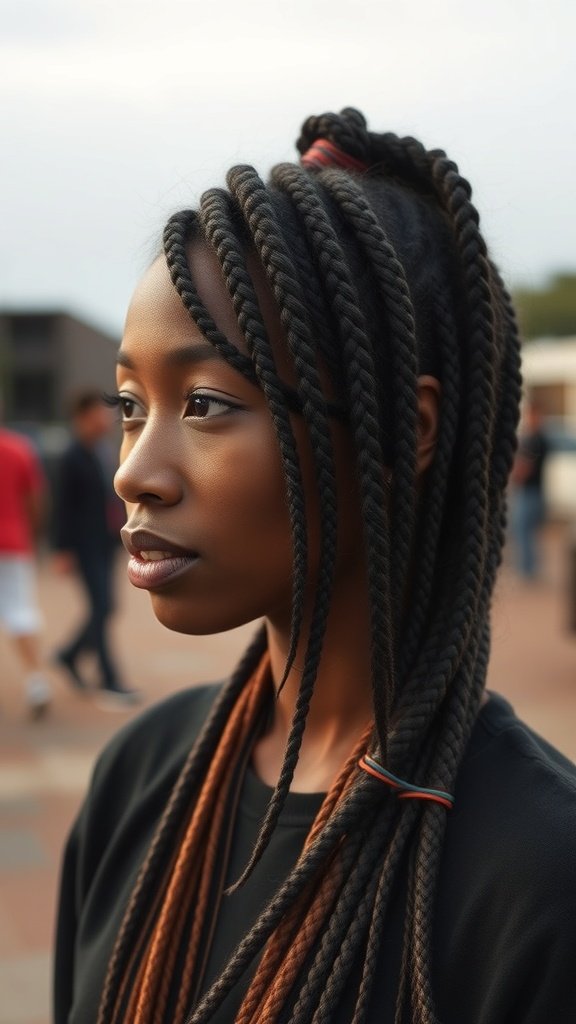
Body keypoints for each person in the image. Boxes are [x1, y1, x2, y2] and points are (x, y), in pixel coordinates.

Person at [54, 108, 576, 1023]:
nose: (137, 470)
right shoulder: (143, 773)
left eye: (208, 403)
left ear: (401, 433)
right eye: (130, 403)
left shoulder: (540, 871)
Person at [52, 390, 139, 706]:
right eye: (98, 414)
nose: (105, 420)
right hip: (84, 544)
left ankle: (69, 654)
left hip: (105, 541)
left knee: (105, 608)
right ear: (82, 418)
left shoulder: (102, 451)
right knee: (102, 607)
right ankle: (109, 679)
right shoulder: (71, 456)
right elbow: (62, 507)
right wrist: (62, 549)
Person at [0, 415, 52, 717]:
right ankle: (36, 683)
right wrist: (32, 534)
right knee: (21, 612)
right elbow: (36, 499)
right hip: (14, 542)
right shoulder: (20, 449)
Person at [510, 396, 549, 579]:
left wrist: (516, 476)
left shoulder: (537, 439)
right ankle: (528, 568)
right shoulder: (533, 437)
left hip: (532, 491)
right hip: (531, 491)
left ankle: (528, 571)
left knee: (525, 530)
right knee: (526, 531)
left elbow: (526, 467)